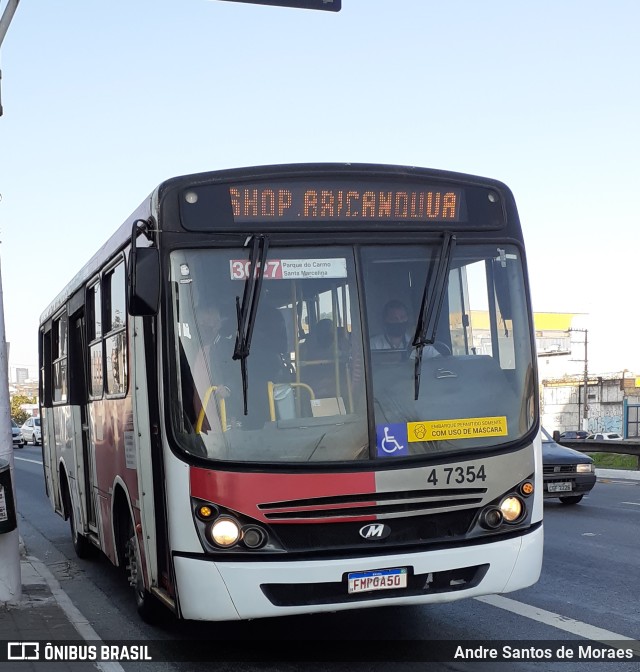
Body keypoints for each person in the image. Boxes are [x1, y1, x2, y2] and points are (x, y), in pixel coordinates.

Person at [370, 299, 442, 357]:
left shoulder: (417, 343)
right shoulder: (373, 345)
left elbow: (440, 361)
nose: (399, 321)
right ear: (385, 320)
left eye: (402, 317)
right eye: (394, 318)